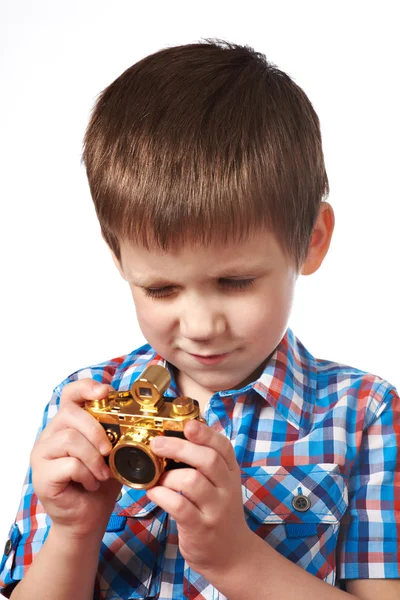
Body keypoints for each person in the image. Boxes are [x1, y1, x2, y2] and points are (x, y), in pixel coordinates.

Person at [0, 39, 399, 600]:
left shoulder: (364, 414)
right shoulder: (84, 403)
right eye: (161, 288)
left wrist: (235, 559)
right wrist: (73, 530)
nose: (201, 325)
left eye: (235, 283)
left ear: (312, 242)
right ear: (119, 260)